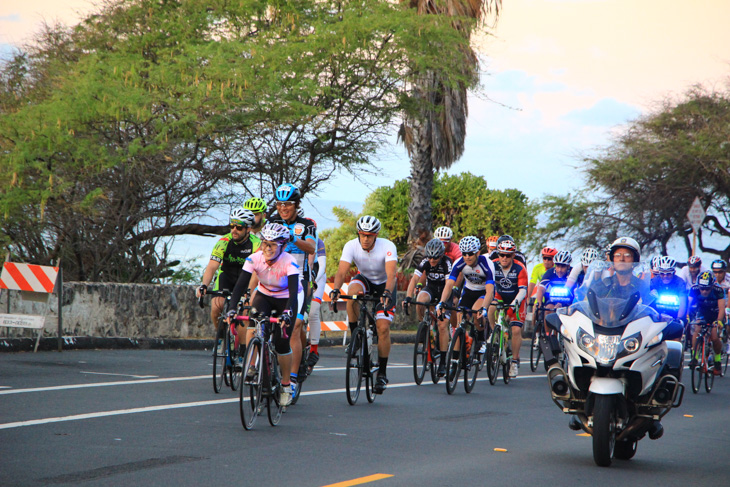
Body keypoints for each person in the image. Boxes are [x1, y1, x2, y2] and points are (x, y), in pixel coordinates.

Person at [226, 222, 301, 407]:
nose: (268, 248)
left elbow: (293, 294)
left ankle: (285, 385)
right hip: (265, 294)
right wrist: (232, 308)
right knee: (255, 324)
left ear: (282, 246)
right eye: (265, 243)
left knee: (282, 343)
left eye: (273, 244)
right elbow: (240, 286)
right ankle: (253, 364)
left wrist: (287, 313)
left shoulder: (289, 261)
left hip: (286, 298)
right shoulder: (254, 258)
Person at [330, 215, 398, 394]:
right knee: (352, 293)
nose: (365, 239)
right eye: (362, 235)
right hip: (365, 280)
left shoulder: (388, 246)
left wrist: (387, 293)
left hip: (384, 284)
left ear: (376, 235)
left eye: (369, 235)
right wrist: (336, 289)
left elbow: (391, 275)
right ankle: (356, 337)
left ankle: (382, 373)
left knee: (382, 328)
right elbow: (341, 271)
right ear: (358, 234)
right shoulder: (351, 245)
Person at [269, 183, 317, 397]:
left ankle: (294, 378)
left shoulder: (307, 224)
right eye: (280, 204)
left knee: (295, 326)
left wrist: (292, 238)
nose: (283, 208)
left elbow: (311, 248)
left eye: (288, 204)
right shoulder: (272, 222)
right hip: (275, 280)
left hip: (299, 280)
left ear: (296, 204)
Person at [196, 208, 261, 347]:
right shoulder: (224, 242)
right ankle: (221, 337)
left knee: (245, 310)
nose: (234, 230)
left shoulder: (256, 244)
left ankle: (243, 350)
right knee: (216, 307)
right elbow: (212, 266)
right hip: (227, 277)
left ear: (248, 228)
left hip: (246, 279)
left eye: (239, 227)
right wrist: (204, 285)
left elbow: (256, 271)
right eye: (232, 225)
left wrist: (249, 291)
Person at [436, 236, 495, 373]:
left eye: (470, 254)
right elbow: (449, 284)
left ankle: (481, 339)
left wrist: (484, 308)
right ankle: (456, 361)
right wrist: (442, 302)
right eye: (464, 254)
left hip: (483, 292)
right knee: (459, 322)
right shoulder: (459, 262)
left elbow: (490, 291)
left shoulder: (487, 264)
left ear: (477, 253)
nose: (467, 257)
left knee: (476, 311)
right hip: (468, 291)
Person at [487, 239, 528, 378]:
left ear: (513, 255)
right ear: (498, 254)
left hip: (517, 298)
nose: (504, 258)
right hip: (500, 295)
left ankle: (515, 361)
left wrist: (512, 307)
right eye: (502, 254)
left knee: (515, 329)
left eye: (508, 255)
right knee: (490, 310)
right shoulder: (492, 265)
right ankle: (495, 333)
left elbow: (523, 291)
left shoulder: (520, 268)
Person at [688, 271, 726, 375]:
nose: (704, 291)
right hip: (702, 311)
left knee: (714, 336)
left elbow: (722, 308)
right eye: (702, 288)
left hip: (715, 313)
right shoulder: (694, 289)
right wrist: (687, 317)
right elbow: (688, 304)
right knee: (697, 329)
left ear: (712, 286)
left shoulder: (718, 290)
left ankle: (717, 359)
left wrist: (719, 321)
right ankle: (695, 357)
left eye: (707, 289)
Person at [590, 237, 651, 301]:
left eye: (627, 255)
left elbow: (650, 307)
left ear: (635, 260)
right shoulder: (604, 285)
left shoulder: (642, 287)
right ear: (612, 259)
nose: (621, 259)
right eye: (617, 255)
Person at [306, 220, 327, 372]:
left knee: (313, 312)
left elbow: (322, 265)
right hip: (300, 277)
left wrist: (313, 282)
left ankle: (314, 349)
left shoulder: (318, 241)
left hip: (317, 277)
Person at [649, 256, 688, 324]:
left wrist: (679, 319)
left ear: (674, 272)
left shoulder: (680, 282)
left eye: (669, 274)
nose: (665, 277)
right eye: (662, 274)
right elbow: (647, 301)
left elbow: (683, 303)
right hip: (658, 316)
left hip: (675, 316)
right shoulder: (654, 281)